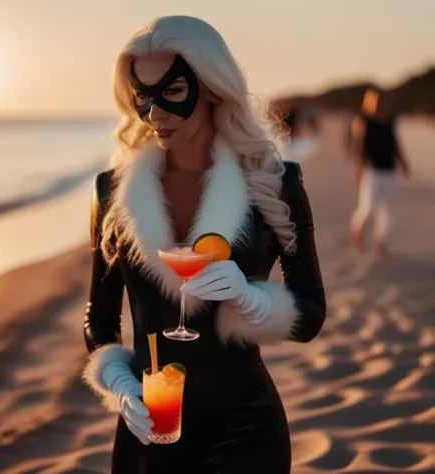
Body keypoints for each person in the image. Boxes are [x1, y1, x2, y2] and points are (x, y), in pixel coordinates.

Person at [82, 15, 326, 474]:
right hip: (148, 431)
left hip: (248, 432)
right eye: (142, 95)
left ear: (213, 87)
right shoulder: (111, 192)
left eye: (172, 92)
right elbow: (100, 319)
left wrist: (248, 298)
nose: (153, 113)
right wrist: (118, 383)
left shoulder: (275, 185)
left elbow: (311, 314)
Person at [348, 88, 410, 259]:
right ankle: (357, 231)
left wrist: (404, 163)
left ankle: (380, 243)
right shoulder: (363, 121)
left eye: (383, 101)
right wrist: (357, 169)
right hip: (372, 170)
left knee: (387, 210)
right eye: (377, 101)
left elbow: (395, 143)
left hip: (389, 170)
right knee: (368, 207)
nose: (381, 105)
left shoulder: (390, 120)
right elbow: (358, 147)